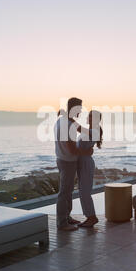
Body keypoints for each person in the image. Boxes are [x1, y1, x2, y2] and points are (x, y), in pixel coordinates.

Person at [54, 98, 93, 231]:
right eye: (80, 108)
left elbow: (81, 129)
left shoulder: (63, 120)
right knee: (64, 192)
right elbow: (73, 150)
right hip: (67, 162)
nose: (81, 110)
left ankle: (67, 217)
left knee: (68, 191)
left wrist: (95, 133)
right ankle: (62, 223)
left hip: (61, 159)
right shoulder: (68, 125)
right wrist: (87, 151)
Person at [76, 110, 102, 228]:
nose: (89, 118)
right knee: (83, 192)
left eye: (92, 117)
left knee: (84, 192)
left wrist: (67, 118)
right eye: (89, 116)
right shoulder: (90, 131)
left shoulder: (93, 131)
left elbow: (76, 127)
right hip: (83, 162)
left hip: (86, 163)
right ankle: (90, 217)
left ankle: (92, 217)